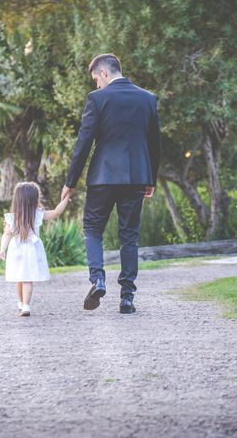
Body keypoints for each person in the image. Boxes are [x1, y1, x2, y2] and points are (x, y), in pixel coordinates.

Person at [60, 53, 161, 314]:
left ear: (104, 73)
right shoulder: (147, 99)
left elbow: (83, 144)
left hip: (103, 177)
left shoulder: (97, 99)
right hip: (137, 177)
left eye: (96, 79)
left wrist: (70, 181)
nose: (96, 85)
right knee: (129, 235)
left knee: (93, 229)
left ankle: (98, 279)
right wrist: (151, 178)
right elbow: (154, 144)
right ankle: (127, 297)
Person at [0, 182, 70, 316]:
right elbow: (56, 212)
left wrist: (2, 249)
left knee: (20, 278)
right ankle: (25, 305)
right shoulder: (37, 214)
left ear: (17, 200)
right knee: (27, 278)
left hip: (16, 250)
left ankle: (22, 303)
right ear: (34, 200)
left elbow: (7, 234)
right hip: (31, 250)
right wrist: (66, 199)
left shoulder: (12, 217)